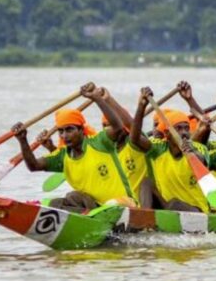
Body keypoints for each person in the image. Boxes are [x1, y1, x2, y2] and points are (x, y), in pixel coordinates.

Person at [12, 83, 134, 212]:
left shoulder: (99, 142)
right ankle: (82, 217)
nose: (65, 135)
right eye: (61, 131)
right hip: (93, 207)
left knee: (83, 198)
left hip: (123, 204)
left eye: (69, 130)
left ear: (81, 130)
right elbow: (34, 166)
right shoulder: (62, 155)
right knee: (58, 202)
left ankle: (85, 217)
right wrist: (23, 140)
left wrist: (97, 99)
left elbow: (118, 127)